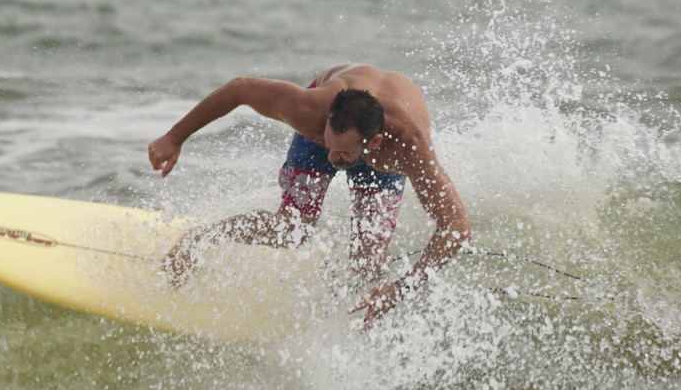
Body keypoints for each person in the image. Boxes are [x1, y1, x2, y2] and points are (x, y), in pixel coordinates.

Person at [147, 63, 470, 326]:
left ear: (373, 143)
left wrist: (401, 288)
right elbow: (241, 88)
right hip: (337, 117)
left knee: (369, 263)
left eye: (341, 154)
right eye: (331, 146)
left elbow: (456, 225)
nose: (332, 160)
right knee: (291, 230)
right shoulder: (309, 111)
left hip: (384, 156)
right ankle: (200, 239)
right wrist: (175, 137)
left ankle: (352, 314)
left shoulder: (408, 150)